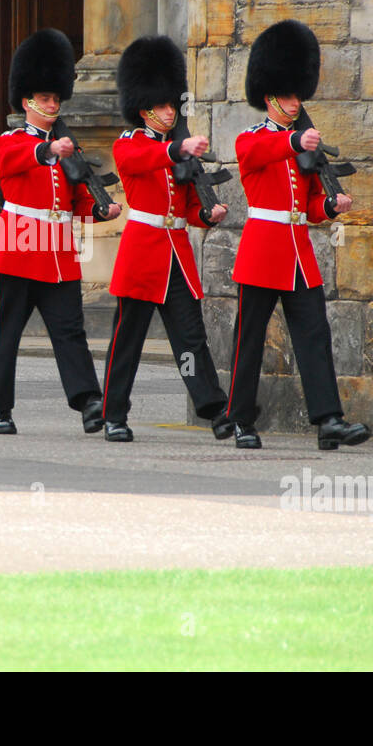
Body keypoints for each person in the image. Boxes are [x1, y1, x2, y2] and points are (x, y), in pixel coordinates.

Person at [225, 20, 370, 450]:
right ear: (269, 98)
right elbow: (256, 153)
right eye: (287, 96)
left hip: (299, 254)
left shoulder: (300, 144)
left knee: (314, 337)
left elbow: (304, 206)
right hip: (262, 249)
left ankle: (328, 420)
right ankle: (240, 420)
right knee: (249, 340)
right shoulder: (253, 139)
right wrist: (295, 142)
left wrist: (329, 207)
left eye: (296, 95)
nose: (294, 102)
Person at [0, 28, 122, 434]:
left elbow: (74, 203)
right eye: (44, 98)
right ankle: (1, 408)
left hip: (58, 251)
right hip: (19, 244)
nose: (51, 104)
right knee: (8, 331)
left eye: (55, 98)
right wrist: (48, 151)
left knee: (69, 330)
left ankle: (88, 402)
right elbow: (16, 160)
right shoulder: (12, 140)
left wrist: (101, 211)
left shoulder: (68, 147)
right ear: (27, 101)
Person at [100, 35, 232, 443]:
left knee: (190, 340)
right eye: (162, 106)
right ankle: (113, 414)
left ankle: (213, 408)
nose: (170, 111)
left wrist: (207, 215)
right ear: (144, 109)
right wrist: (178, 150)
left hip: (177, 255)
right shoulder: (130, 143)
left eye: (173, 105)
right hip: (143, 252)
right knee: (129, 340)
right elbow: (138, 162)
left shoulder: (179, 151)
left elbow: (189, 206)